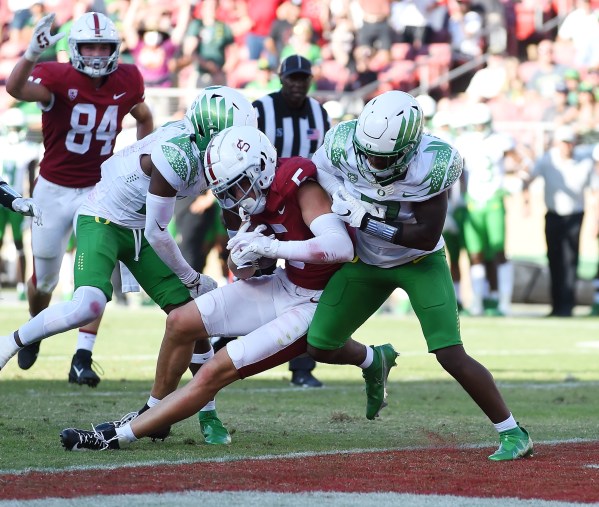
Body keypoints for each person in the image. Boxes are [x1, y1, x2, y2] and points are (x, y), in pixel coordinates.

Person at [58, 125, 398, 451]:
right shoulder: (243, 204)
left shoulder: (299, 186)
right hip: (284, 284)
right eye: (223, 191)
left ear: (262, 169)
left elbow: (340, 247)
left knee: (214, 370)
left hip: (313, 303)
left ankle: (118, 436)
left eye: (236, 187)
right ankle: (154, 413)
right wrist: (246, 257)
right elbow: (245, 271)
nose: (232, 197)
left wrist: (272, 249)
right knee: (180, 322)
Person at [0, 86, 257, 445]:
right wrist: (192, 276)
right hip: (104, 219)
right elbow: (157, 231)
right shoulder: (178, 153)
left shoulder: (213, 152)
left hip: (138, 229)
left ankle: (206, 413)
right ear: (209, 133)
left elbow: (228, 215)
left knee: (192, 318)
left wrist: (244, 248)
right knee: (88, 304)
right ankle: (9, 342)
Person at [305, 90, 533, 461]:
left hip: (418, 261)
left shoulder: (434, 162)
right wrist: (339, 197)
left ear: (410, 148)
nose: (374, 161)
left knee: (449, 353)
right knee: (319, 344)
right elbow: (320, 172)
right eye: (369, 153)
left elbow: (426, 234)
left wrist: (365, 220)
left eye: (385, 156)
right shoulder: (346, 141)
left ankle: (513, 432)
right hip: (365, 262)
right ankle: (373, 360)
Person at [5, 12, 154, 386]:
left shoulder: (128, 79)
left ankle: (82, 356)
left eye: (104, 46)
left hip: (99, 190)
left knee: (95, 276)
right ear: (74, 48)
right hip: (53, 189)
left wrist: (138, 163)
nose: (98, 53)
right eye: (90, 45)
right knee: (45, 280)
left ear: (116, 48)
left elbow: (145, 116)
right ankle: (34, 331)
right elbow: (16, 89)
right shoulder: (57, 76)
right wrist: (30, 55)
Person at [250, 53, 331, 387]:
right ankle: (232, 339)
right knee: (257, 271)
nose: (297, 85)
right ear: (280, 78)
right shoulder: (261, 110)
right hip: (264, 204)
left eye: (303, 79)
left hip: (303, 207)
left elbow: (324, 161)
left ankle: (301, 367)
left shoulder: (318, 112)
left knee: (309, 283)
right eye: (292, 78)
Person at [522, 126, 599, 317]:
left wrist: (596, 219)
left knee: (570, 258)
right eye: (564, 142)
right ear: (558, 144)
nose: (567, 147)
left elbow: (595, 190)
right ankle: (557, 304)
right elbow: (528, 177)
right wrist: (525, 199)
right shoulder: (547, 160)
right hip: (554, 214)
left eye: (570, 142)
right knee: (554, 258)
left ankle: (568, 304)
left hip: (575, 215)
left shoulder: (584, 162)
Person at [454, 103, 516, 316]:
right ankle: (478, 301)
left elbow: (521, 162)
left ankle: (503, 301)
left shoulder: (501, 140)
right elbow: (458, 173)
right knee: (475, 254)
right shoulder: (464, 142)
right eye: (477, 125)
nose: (480, 129)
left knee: (499, 251)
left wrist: (517, 183)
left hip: (494, 201)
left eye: (482, 125)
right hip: (472, 202)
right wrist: (459, 196)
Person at [0, 108, 40, 300]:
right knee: (12, 244)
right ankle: (17, 287)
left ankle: (21, 287)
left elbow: (31, 180)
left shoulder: (28, 150)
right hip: (10, 201)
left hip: (17, 201)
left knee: (18, 244)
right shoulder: (13, 147)